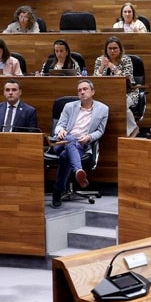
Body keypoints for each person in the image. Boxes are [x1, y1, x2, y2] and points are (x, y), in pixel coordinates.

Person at [50, 79, 108, 207]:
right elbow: (59, 125)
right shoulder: (69, 107)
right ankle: (78, 170)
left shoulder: (103, 109)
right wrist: (60, 131)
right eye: (79, 90)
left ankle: (57, 191)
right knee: (69, 140)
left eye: (85, 89)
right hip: (62, 142)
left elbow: (100, 131)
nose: (82, 92)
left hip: (81, 144)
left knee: (66, 156)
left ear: (93, 91)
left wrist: (89, 137)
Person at [93, 36, 140, 136]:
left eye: (115, 48)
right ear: (106, 50)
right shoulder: (99, 60)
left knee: (121, 105)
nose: (112, 51)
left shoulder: (126, 60)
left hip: (128, 92)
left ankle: (131, 131)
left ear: (120, 49)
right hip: (107, 93)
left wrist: (112, 67)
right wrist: (101, 68)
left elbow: (128, 79)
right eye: (110, 48)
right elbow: (95, 80)